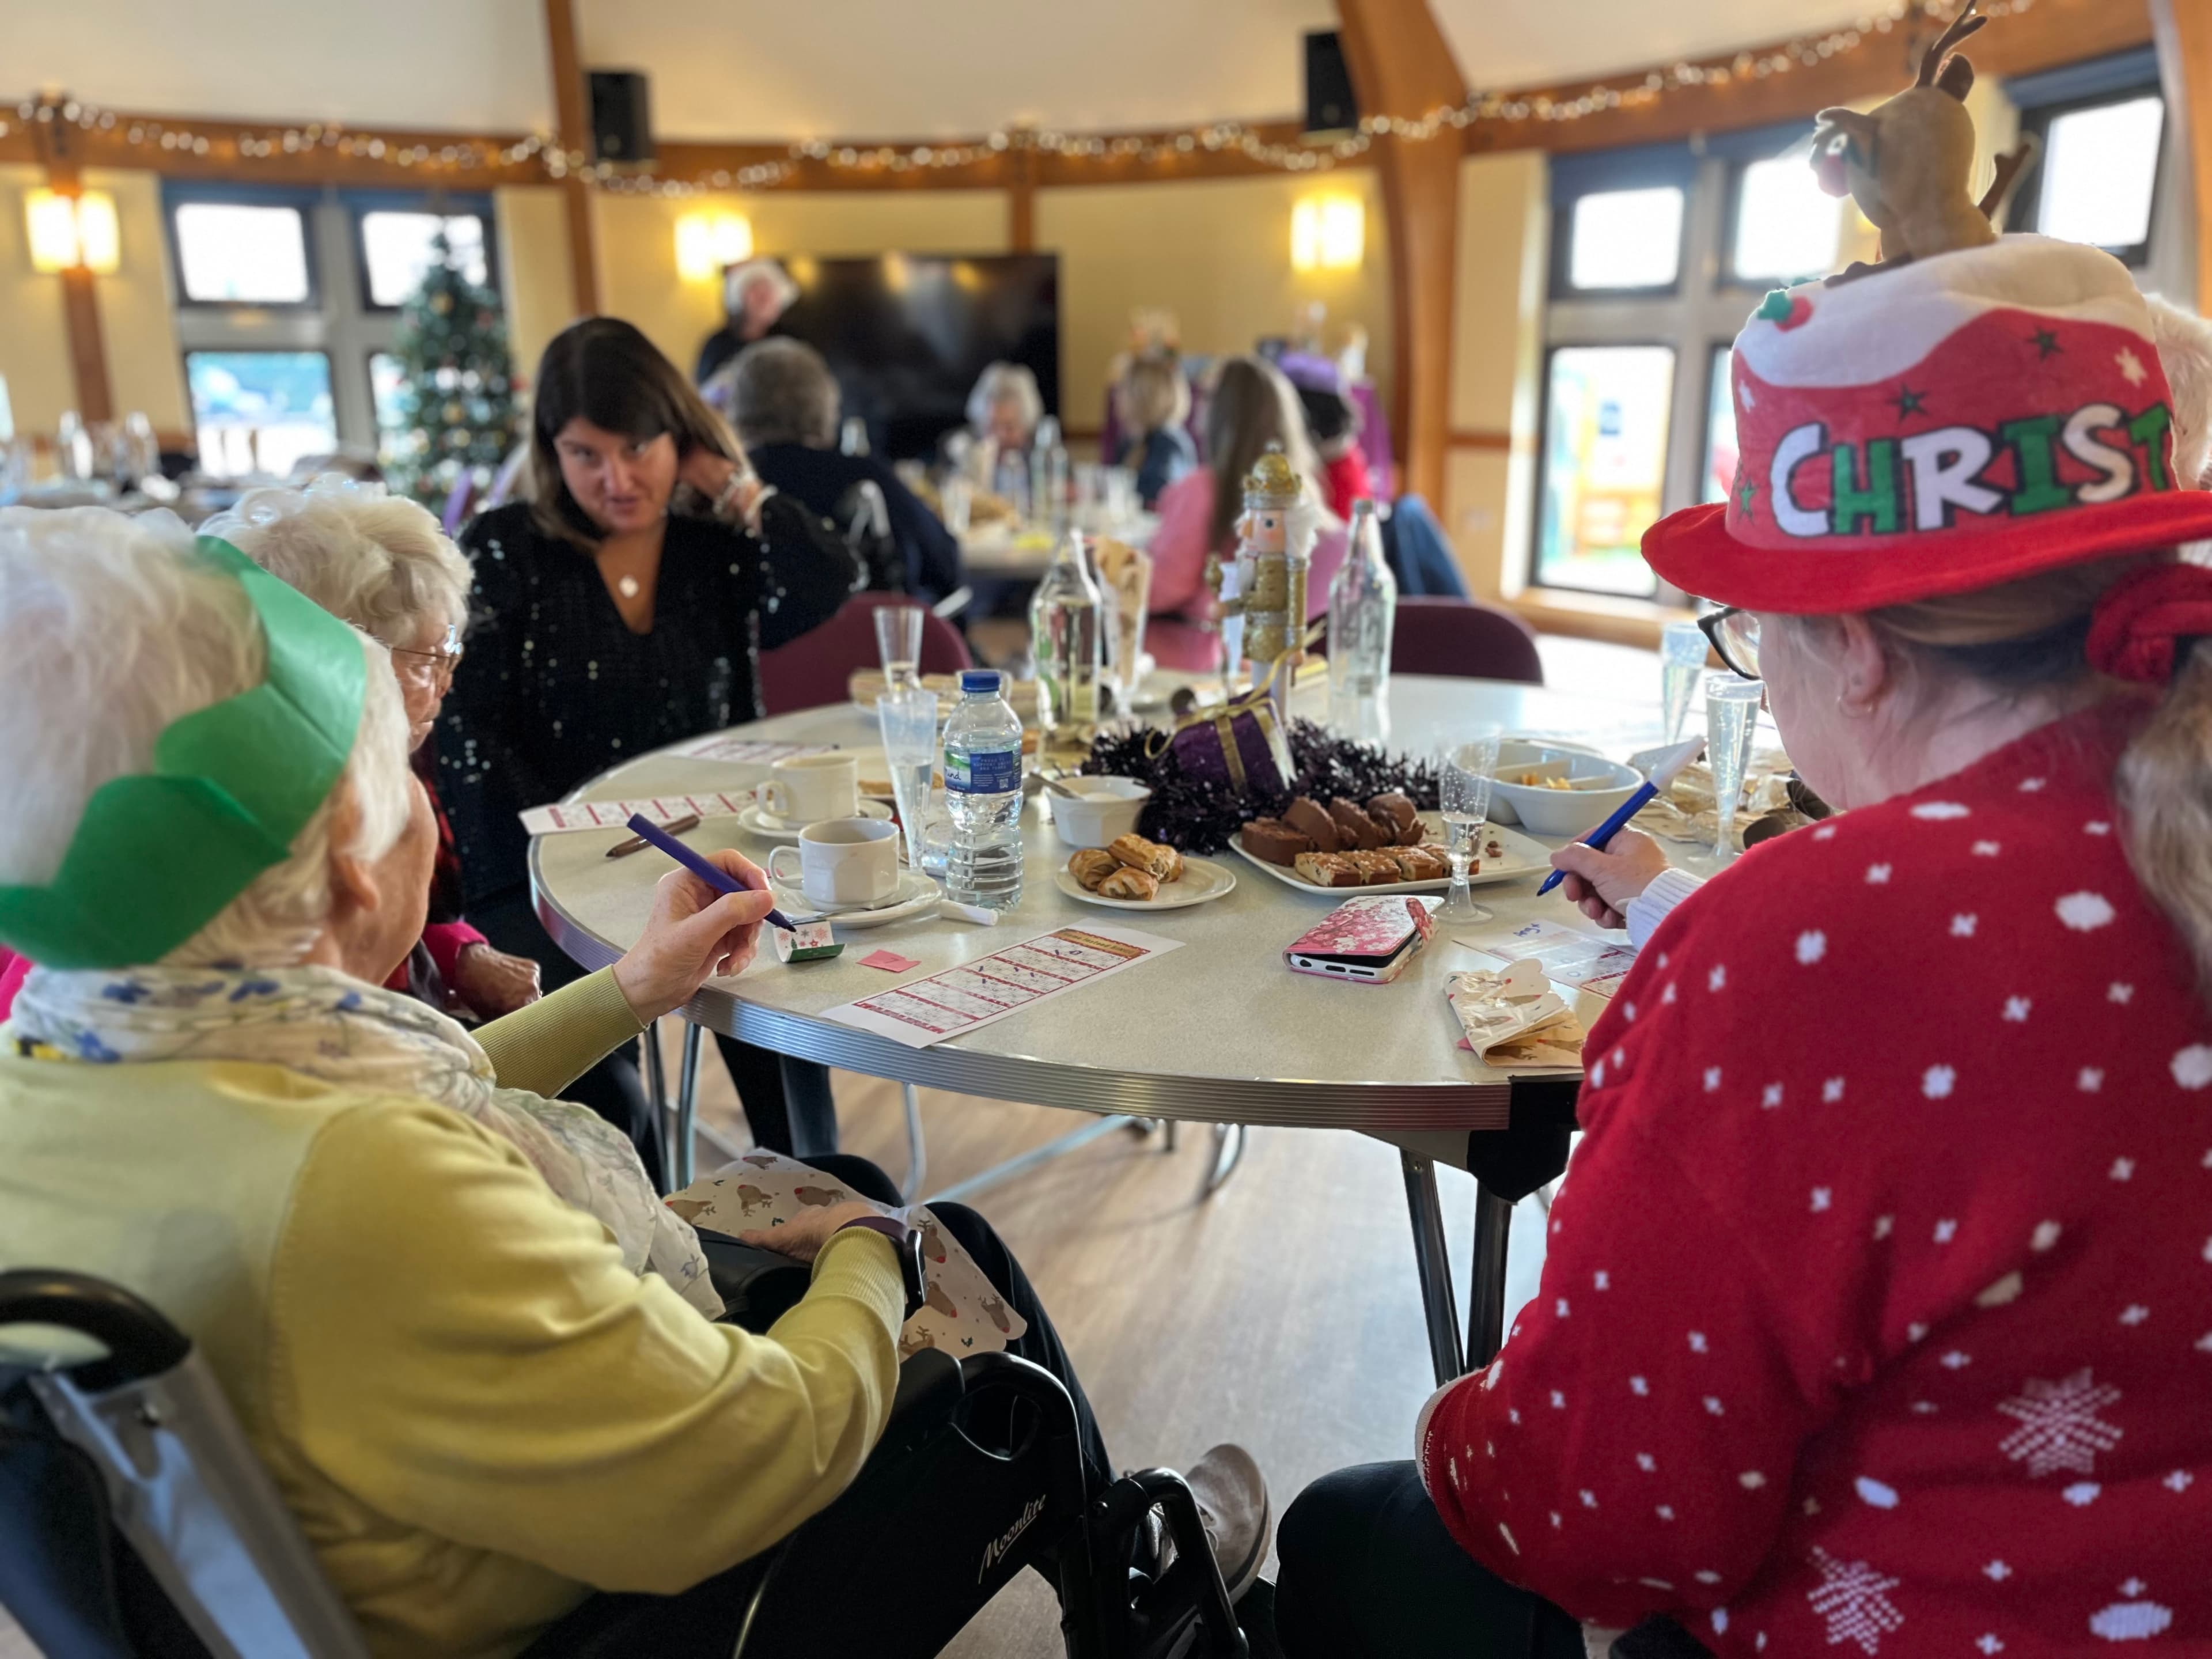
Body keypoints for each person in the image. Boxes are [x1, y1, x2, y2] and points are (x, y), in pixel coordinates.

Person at [0, 505, 1270, 1658]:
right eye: (396, 781)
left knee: (832, 1177)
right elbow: (759, 1450)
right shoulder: (370, 1193)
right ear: (350, 868)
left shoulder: (68, 1067)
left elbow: (400, 1106)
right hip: (638, 1609)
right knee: (945, 1248)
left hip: (371, 1528)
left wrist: (631, 990)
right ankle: (1134, 1592)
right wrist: (873, 1255)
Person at [1274, 236, 2212, 1655]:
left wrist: (1447, 1425)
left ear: (1856, 648)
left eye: (1743, 628)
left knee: (1341, 1535)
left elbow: (1597, 1512)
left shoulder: (1812, 942)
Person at [438, 317, 861, 1166]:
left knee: (779, 1005)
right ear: (551, 451)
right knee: (605, 1089)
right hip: (539, 869)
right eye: (585, 454)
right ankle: (642, 1227)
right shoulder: (506, 547)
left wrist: (736, 487)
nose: (617, 479)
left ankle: (820, 1197)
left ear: (682, 439)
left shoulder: (715, 546)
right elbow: (467, 739)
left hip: (709, 848)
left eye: (638, 448)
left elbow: (831, 578)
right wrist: (551, 868)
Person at [204, 479, 542, 1020]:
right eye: (428, 657)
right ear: (332, 663)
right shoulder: (278, 829)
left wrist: (458, 952)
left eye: (451, 649)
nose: (447, 679)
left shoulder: (378, 758)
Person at [713, 336, 963, 604]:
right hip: (863, 629)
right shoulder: (863, 475)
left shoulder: (723, 483)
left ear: (738, 406)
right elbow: (946, 562)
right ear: (825, 404)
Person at [1146, 355, 1347, 672]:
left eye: (1207, 399)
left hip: (1200, 665)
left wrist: (1109, 569)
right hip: (1287, 670)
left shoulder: (1203, 490)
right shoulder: (1305, 495)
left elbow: (1163, 588)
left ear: (1219, 415)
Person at [694, 256, 798, 387]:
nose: (764, 299)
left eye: (769, 293)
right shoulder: (718, 345)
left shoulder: (791, 342)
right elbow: (704, 390)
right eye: (757, 292)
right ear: (740, 298)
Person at [1111, 353, 1196, 510]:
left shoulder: (1168, 444)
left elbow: (1157, 499)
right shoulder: (1133, 442)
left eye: (1123, 389)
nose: (1116, 395)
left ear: (1142, 396)